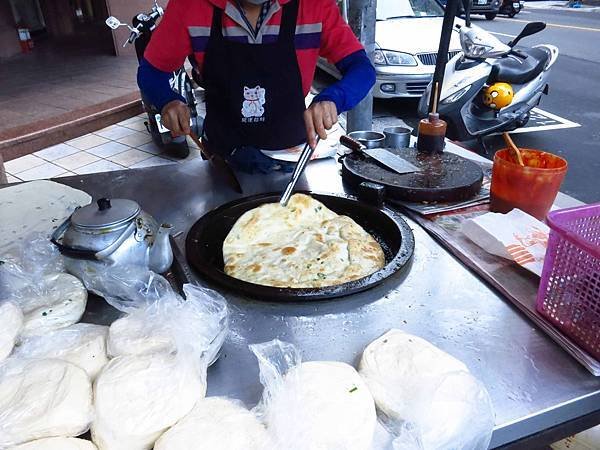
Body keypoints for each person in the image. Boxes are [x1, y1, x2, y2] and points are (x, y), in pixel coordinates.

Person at [138, 0, 376, 173]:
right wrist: (167, 100)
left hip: (292, 159)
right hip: (223, 160)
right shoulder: (190, 6)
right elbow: (150, 72)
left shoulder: (314, 6)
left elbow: (362, 69)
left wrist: (334, 98)